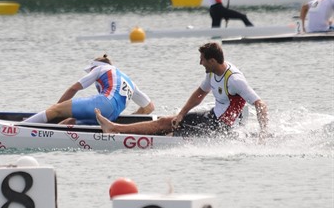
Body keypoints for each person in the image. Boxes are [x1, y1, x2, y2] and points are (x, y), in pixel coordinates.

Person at [95, 42, 269, 138]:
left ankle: (114, 129)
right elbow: (200, 93)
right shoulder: (213, 71)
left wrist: (263, 134)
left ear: (212, 61)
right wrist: (182, 114)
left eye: (202, 60)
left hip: (218, 127)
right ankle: (165, 131)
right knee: (172, 121)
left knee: (164, 123)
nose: (200, 63)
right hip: (211, 117)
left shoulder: (234, 79)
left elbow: (260, 105)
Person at [23, 54, 154, 125]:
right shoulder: (129, 81)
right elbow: (149, 108)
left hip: (103, 104)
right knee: (70, 122)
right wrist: (128, 121)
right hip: (111, 117)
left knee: (55, 109)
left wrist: (57, 108)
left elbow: (73, 88)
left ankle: (18, 128)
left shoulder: (100, 69)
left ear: (94, 67)